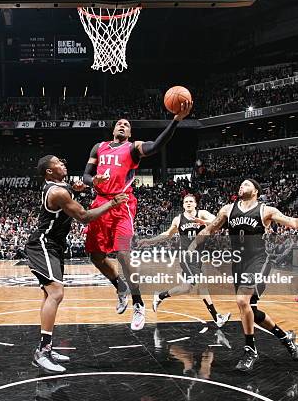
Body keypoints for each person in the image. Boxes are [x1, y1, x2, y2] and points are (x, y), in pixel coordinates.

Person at [82, 102, 193, 331]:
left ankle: (138, 303)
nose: (123, 125)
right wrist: (94, 181)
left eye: (127, 125)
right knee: (95, 256)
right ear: (114, 129)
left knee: (123, 254)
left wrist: (176, 120)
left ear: (130, 133)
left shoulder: (133, 148)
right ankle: (119, 286)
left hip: (122, 204)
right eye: (120, 123)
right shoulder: (98, 147)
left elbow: (156, 146)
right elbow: (85, 175)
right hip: (100, 204)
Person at [191, 179, 298, 371]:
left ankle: (250, 350)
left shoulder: (265, 210)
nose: (241, 186)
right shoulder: (228, 210)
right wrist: (193, 244)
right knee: (251, 309)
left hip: (260, 262)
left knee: (243, 301)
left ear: (256, 191)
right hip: (238, 263)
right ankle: (285, 338)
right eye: (240, 185)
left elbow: (293, 223)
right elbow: (211, 229)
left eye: (246, 184)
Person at [26, 155, 127, 373]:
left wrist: (78, 188)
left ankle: (47, 348)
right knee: (56, 294)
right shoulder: (57, 192)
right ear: (49, 172)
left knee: (49, 295)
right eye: (58, 163)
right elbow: (84, 216)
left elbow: (69, 191)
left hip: (54, 245)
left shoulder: (61, 187)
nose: (63, 163)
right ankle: (42, 351)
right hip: (43, 243)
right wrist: (112, 202)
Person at [137, 194, 230, 327]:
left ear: (195, 204)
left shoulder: (202, 214)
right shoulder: (178, 219)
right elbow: (167, 234)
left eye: (191, 201)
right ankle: (217, 318)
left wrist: (203, 222)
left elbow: (218, 222)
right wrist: (149, 241)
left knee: (186, 288)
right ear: (183, 205)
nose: (188, 203)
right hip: (186, 256)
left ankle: (160, 296)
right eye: (186, 201)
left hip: (198, 256)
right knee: (202, 285)